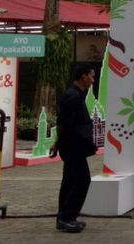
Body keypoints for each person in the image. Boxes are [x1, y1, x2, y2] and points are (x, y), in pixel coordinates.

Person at [52, 64, 98, 233]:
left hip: (74, 145)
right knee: (83, 179)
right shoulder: (72, 96)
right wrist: (57, 144)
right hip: (72, 146)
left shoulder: (78, 94)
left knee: (69, 181)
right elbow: (63, 123)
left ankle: (64, 217)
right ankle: (66, 217)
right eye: (91, 76)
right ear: (83, 76)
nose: (93, 80)